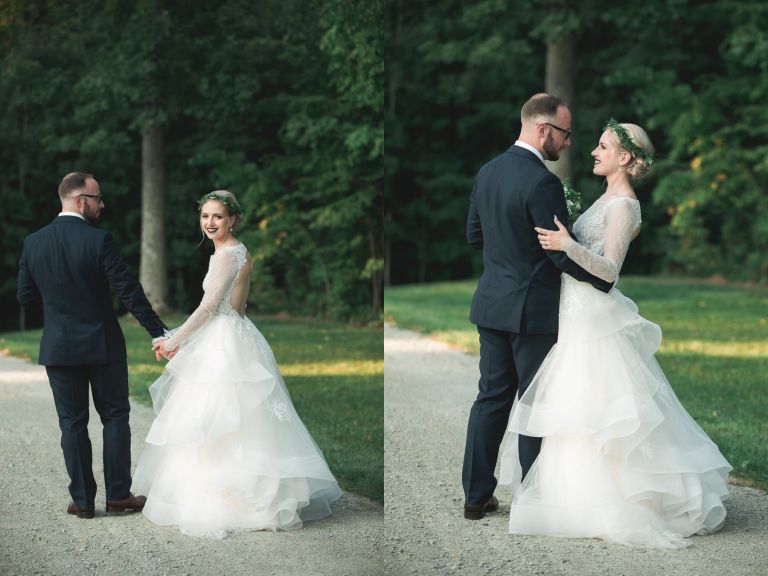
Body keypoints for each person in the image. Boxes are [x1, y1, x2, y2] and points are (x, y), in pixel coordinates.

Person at [499, 120, 731, 548]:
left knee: (597, 404)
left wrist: (567, 244)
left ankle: (610, 497)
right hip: (573, 312)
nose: (593, 152)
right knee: (574, 403)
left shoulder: (624, 205)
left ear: (624, 158)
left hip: (593, 318)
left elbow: (609, 270)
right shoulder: (606, 199)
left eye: (603, 146)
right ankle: (567, 492)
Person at [133, 190, 342, 539]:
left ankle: (231, 496)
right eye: (205, 217)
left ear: (232, 219)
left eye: (217, 216)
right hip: (235, 334)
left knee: (222, 417)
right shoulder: (238, 251)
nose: (210, 223)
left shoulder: (227, 255)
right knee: (231, 417)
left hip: (225, 342)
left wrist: (174, 340)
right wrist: (180, 338)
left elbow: (210, 308)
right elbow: (225, 309)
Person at [462, 94, 615, 520]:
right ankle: (532, 499)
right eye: (565, 134)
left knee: (490, 398)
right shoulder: (541, 182)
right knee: (536, 401)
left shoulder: (488, 171)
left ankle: (476, 497)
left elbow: (476, 236)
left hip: (492, 305)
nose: (568, 143)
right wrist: (602, 281)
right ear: (543, 129)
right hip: (534, 312)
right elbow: (559, 253)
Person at [17, 172, 168, 519]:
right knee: (115, 416)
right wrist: (157, 331)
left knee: (72, 423)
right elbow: (128, 290)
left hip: (58, 346)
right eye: (98, 198)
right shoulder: (99, 241)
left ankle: (82, 501)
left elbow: (25, 297)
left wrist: (59, 316)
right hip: (103, 345)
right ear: (79, 200)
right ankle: (117, 496)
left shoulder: (33, 242)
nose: (102, 205)